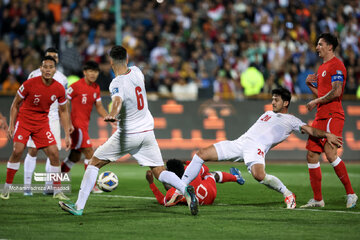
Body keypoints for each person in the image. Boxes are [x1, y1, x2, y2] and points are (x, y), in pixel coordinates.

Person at [58, 45, 198, 216]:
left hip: (129, 134)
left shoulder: (116, 83)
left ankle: (78, 207)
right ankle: (186, 190)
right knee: (159, 171)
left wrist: (112, 114)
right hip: (147, 132)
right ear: (127, 60)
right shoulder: (137, 71)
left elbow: (117, 101)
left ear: (110, 62)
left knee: (94, 162)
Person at [179, 87, 342, 209]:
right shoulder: (268, 113)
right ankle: (181, 188)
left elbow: (310, 130)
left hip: (256, 149)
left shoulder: (292, 120)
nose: (272, 102)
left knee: (258, 175)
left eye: (276, 100)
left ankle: (288, 194)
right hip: (240, 143)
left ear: (286, 103)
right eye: (272, 99)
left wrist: (327, 134)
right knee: (200, 154)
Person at [0, 56, 71, 200]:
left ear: (54, 70)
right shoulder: (29, 83)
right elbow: (15, 104)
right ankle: (6, 189)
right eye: (45, 67)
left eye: (50, 67)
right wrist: (12, 125)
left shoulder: (58, 87)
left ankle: (57, 191)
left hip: (42, 124)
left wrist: (67, 134)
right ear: (41, 69)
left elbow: (63, 111)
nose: (47, 70)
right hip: (25, 121)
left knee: (54, 154)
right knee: (18, 150)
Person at [302, 33, 358, 208]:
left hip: (333, 115)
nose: (317, 47)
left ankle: (351, 194)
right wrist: (310, 86)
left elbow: (336, 92)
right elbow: (322, 94)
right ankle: (318, 199)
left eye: (320, 44)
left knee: (330, 152)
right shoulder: (322, 68)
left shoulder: (337, 65)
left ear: (329, 47)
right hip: (321, 115)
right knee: (311, 155)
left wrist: (315, 101)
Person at [23, 47, 69, 196]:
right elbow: (25, 97)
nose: (53, 58)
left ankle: (50, 187)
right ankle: (27, 186)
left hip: (53, 118)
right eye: (50, 56)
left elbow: (64, 106)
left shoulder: (62, 78)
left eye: (55, 56)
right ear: (44, 60)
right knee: (33, 150)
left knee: (53, 152)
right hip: (35, 117)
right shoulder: (34, 75)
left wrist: (68, 126)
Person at [60, 61, 109, 193]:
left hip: (84, 126)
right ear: (85, 72)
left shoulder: (96, 88)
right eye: (90, 71)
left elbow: (99, 107)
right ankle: (91, 186)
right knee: (90, 153)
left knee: (74, 157)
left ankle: (55, 182)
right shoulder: (75, 86)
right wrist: (68, 122)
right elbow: (65, 102)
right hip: (76, 126)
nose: (93, 74)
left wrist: (108, 117)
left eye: (95, 72)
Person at [146, 159, 245, 206]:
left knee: (176, 191)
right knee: (211, 174)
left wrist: (151, 183)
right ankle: (236, 178)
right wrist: (188, 162)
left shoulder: (171, 192)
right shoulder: (191, 172)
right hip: (210, 193)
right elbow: (205, 169)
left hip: (201, 201)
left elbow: (162, 200)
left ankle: (236, 177)